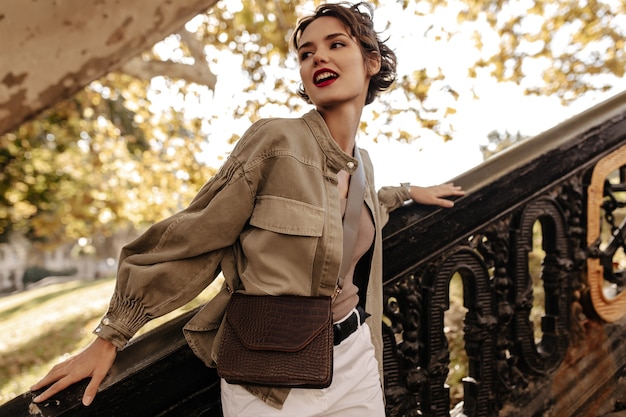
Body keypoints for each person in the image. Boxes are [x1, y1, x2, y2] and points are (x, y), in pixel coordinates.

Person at [31, 2, 465, 416]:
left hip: (354, 360)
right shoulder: (274, 142)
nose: (317, 59)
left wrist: (408, 191)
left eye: (336, 44)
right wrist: (112, 335)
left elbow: (364, 210)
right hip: (269, 384)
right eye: (306, 53)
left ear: (372, 62)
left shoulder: (363, 165)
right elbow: (196, 233)